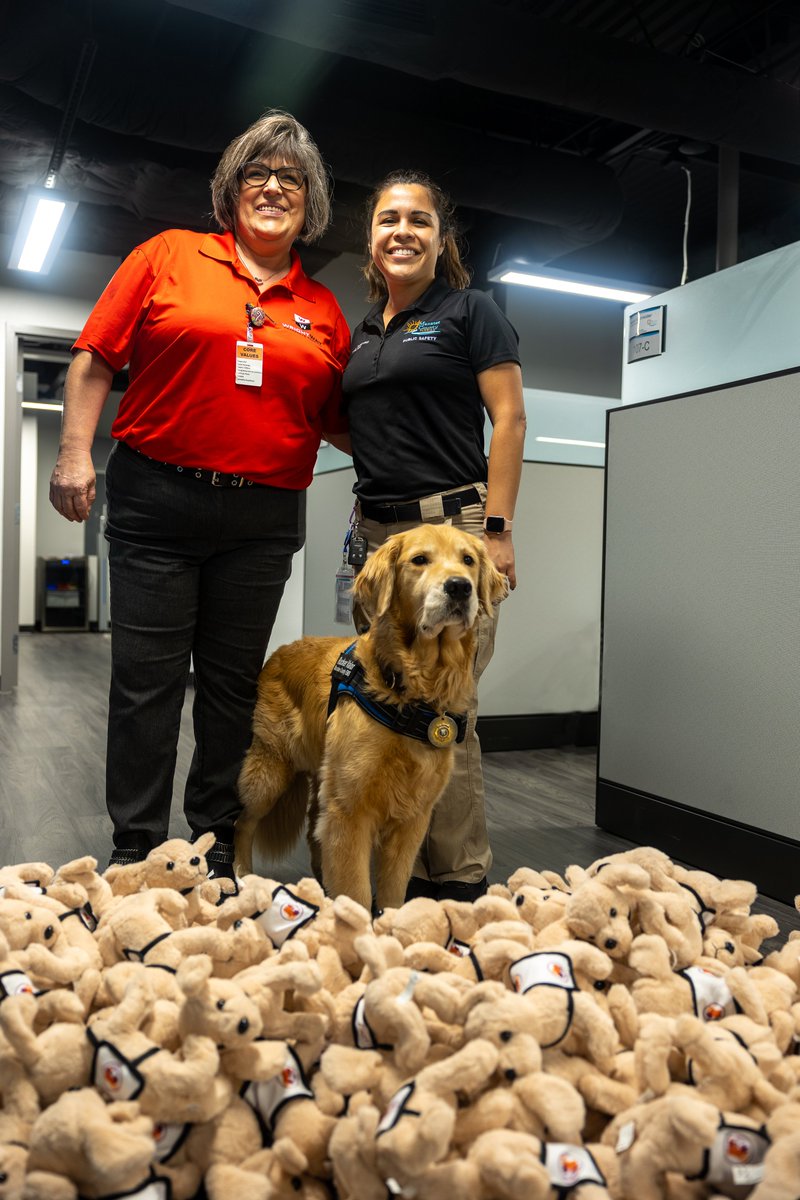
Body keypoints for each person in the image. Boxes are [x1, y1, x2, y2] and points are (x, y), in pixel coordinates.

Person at [49, 110, 350, 878]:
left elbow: (341, 420)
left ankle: (217, 842)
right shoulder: (169, 256)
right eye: (258, 172)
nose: (273, 187)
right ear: (231, 188)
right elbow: (94, 359)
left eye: (291, 178)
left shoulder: (323, 311)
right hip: (157, 501)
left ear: (310, 201)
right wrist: (75, 454)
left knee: (230, 688)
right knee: (146, 683)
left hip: (261, 518)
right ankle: (137, 849)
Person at [341, 168, 526, 902]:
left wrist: (498, 533)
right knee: (381, 705)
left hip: (451, 531)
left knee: (448, 710)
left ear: (439, 237)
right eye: (389, 219)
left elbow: (508, 419)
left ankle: (456, 881)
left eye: (419, 220)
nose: (403, 232)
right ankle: (395, 880)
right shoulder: (362, 332)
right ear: (371, 238)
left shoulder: (470, 311)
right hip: (377, 544)